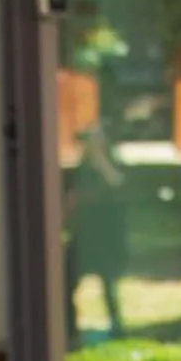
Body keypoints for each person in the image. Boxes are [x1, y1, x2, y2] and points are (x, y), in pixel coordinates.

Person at [65, 120, 129, 346]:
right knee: (67, 282)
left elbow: (118, 183)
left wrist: (99, 157)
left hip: (105, 233)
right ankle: (70, 331)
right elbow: (73, 197)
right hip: (84, 233)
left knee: (108, 284)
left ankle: (116, 325)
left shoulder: (110, 161)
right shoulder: (82, 168)